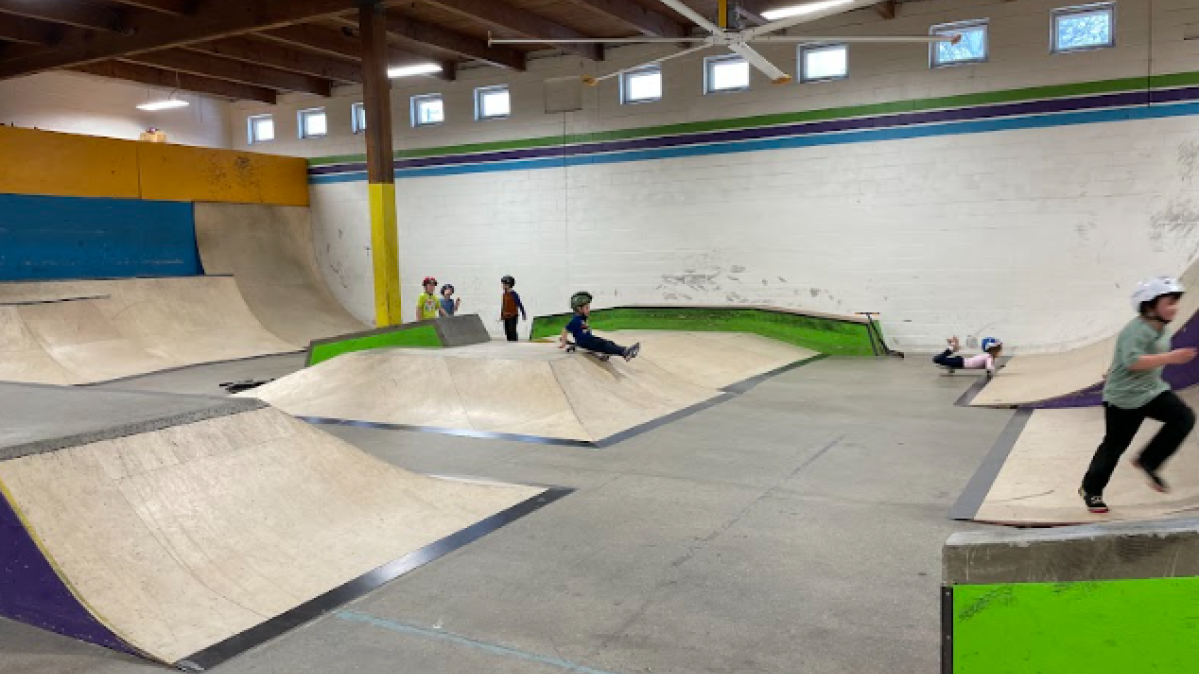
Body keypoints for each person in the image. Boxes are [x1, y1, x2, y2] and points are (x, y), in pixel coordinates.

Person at [1079, 276, 1197, 514]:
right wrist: (1170, 358)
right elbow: (1132, 360)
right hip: (1124, 398)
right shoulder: (1136, 330)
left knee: (1184, 418)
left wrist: (1114, 368)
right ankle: (1091, 490)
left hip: (1152, 390)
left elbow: (1125, 355)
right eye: (1169, 302)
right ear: (1149, 305)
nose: (1175, 308)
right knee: (1114, 446)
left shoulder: (1162, 327)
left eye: (1176, 302)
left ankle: (1149, 460)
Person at [558, 291, 640, 361]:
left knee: (608, 343)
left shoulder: (582, 318)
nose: (589, 310)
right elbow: (565, 329)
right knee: (604, 345)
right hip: (586, 342)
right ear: (579, 309)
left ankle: (618, 352)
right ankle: (625, 352)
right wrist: (564, 342)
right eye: (587, 307)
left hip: (589, 340)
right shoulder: (576, 320)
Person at [932, 336, 1002, 376]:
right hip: (960, 362)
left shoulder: (988, 356)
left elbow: (989, 368)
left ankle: (953, 347)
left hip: (961, 361)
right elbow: (989, 368)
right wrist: (996, 370)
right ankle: (952, 347)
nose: (1000, 351)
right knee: (936, 359)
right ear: (992, 350)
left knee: (940, 359)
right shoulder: (988, 357)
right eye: (998, 349)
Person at [500, 275, 527, 342]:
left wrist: (523, 314)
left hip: (513, 316)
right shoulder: (504, 294)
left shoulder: (514, 294)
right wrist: (502, 315)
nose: (502, 286)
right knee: (507, 331)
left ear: (508, 285)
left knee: (512, 331)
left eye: (503, 284)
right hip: (506, 316)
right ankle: (509, 344)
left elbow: (519, 304)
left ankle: (514, 343)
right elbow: (503, 305)